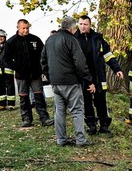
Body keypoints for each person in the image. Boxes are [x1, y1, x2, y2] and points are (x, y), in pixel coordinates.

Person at [41, 16, 96, 147]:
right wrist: (88, 79)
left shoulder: (49, 40)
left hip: (55, 82)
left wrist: (50, 77)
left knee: (59, 111)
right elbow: (80, 62)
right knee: (77, 110)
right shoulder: (71, 39)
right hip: (71, 81)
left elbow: (43, 61)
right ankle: (80, 140)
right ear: (72, 28)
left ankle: (61, 139)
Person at [74, 15, 123, 134]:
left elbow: (108, 56)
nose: (82, 26)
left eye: (85, 24)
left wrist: (117, 69)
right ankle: (91, 125)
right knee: (86, 102)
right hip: (83, 77)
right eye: (80, 24)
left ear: (90, 25)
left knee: (101, 101)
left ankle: (104, 125)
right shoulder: (74, 39)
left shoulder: (98, 39)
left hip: (98, 75)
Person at [3, 19, 53, 127]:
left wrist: (43, 69)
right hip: (21, 75)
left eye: (27, 28)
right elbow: (6, 58)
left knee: (39, 96)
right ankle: (26, 118)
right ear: (18, 28)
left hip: (35, 74)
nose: (26, 30)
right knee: (24, 97)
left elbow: (43, 55)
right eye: (23, 28)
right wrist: (16, 67)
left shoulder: (35, 40)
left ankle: (44, 118)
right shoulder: (11, 42)